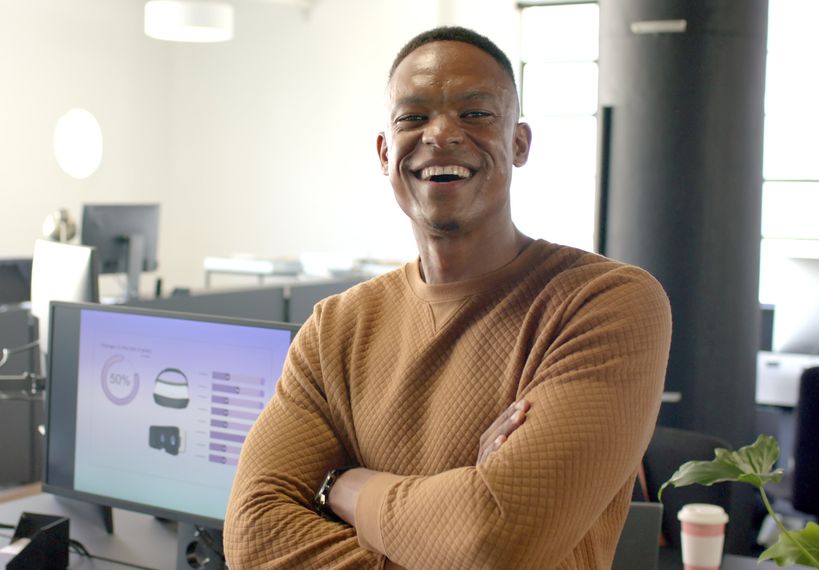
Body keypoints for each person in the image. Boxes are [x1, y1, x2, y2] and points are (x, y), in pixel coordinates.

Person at [223, 26, 671, 570]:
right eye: (413, 117)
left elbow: (491, 540)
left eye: (476, 114)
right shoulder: (334, 330)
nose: (441, 134)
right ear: (386, 152)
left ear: (519, 143)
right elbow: (252, 536)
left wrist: (342, 486)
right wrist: (448, 520)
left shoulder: (604, 304)